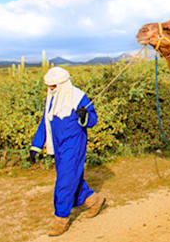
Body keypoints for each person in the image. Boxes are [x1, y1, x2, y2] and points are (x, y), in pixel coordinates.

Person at [29, 67, 105, 236]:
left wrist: (84, 116)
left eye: (53, 86)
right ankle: (94, 200)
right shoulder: (51, 98)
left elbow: (93, 120)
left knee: (65, 181)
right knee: (72, 179)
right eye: (48, 86)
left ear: (62, 84)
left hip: (74, 144)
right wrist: (35, 146)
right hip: (58, 145)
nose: (50, 89)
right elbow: (45, 122)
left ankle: (61, 218)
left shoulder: (78, 97)